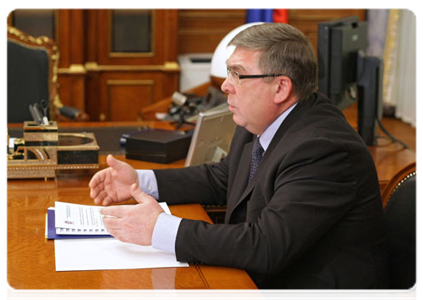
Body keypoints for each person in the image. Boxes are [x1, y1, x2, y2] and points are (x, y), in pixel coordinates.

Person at [89, 23, 388, 300]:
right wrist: (139, 182)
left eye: (238, 74)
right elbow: (223, 178)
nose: (225, 86)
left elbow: (266, 246)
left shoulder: (323, 149)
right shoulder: (261, 122)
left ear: (281, 88)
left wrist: (160, 230)